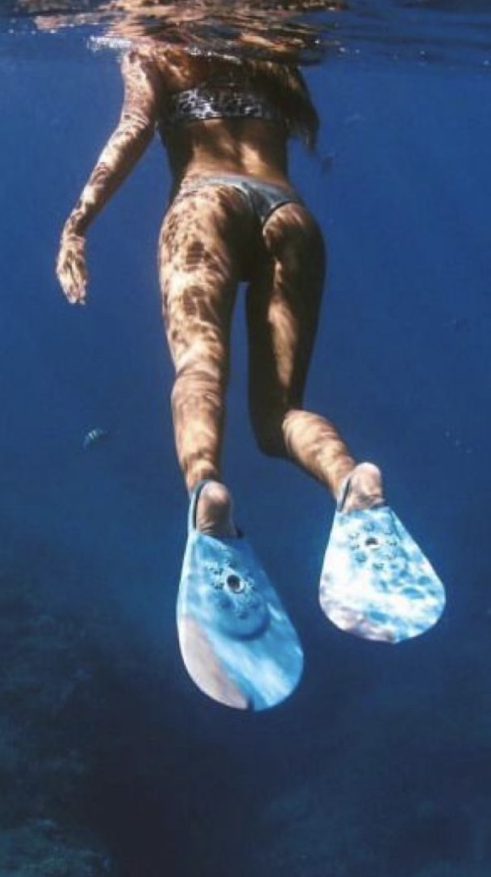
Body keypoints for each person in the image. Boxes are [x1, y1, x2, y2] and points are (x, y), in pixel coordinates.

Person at [55, 40, 445, 710]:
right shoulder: (268, 41)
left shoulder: (155, 42)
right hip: (288, 215)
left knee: (198, 367)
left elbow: (131, 132)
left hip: (203, 208)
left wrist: (78, 222)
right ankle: (350, 477)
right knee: (281, 413)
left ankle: (207, 490)